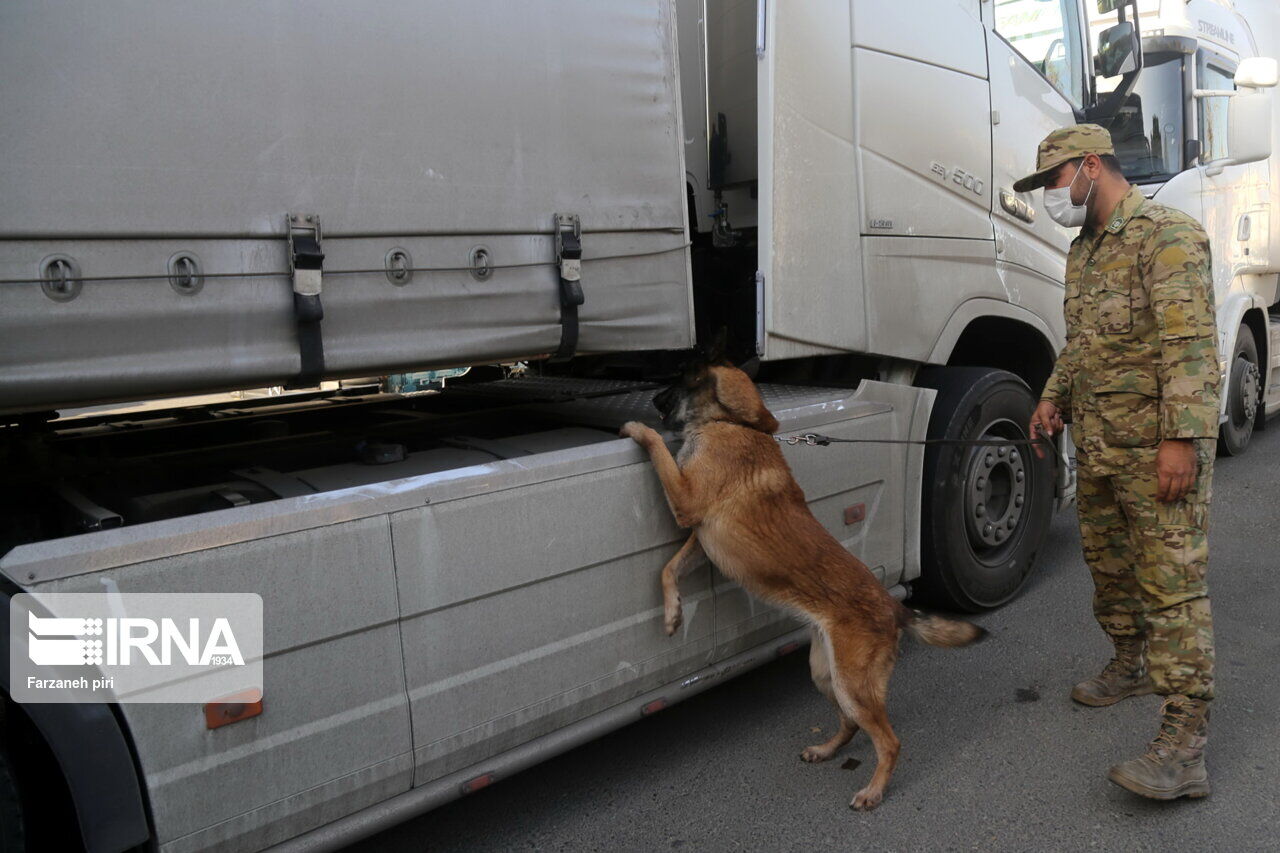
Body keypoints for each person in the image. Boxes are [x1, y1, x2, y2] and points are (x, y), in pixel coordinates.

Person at [1017, 124, 1221, 800]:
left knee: (1172, 586)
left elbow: (1189, 342)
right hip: (1102, 444)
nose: (1050, 195)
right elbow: (1081, 345)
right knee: (1109, 566)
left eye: (1053, 180)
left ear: (1090, 166)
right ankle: (1129, 663)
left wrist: (1181, 439)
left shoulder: (1167, 234)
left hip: (1157, 447)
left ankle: (1185, 745)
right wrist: (1053, 397)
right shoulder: (1084, 251)